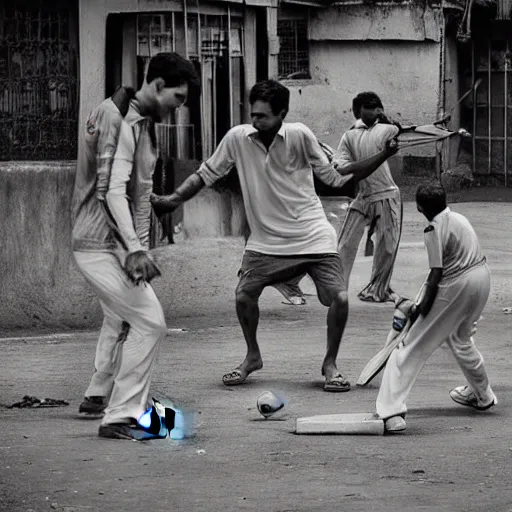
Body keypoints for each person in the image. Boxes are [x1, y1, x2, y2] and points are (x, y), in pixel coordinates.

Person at [151, 80, 398, 391]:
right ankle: (252, 356)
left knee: (338, 298)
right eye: (253, 115)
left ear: (282, 113)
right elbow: (205, 174)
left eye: (263, 116)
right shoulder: (237, 138)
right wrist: (174, 199)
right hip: (265, 241)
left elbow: (336, 178)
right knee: (243, 296)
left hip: (312, 235)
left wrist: (381, 157)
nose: (255, 122)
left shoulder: (299, 135)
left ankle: (330, 364)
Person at [71, 52, 200, 439]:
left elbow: (134, 190)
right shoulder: (119, 119)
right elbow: (110, 193)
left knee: (130, 318)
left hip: (108, 244)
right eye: (176, 98)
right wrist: (133, 250)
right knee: (149, 320)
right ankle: (121, 414)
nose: (178, 108)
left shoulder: (134, 118)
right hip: (100, 244)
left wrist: (140, 244)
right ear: (157, 85)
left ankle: (117, 402)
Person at [376, 183, 497, 433]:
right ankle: (483, 395)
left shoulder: (433, 229)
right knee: (460, 338)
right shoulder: (460, 218)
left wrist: (420, 308)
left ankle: (391, 412)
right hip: (482, 279)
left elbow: (436, 274)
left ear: (420, 207)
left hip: (457, 285)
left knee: (410, 345)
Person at [334, 92, 402, 303]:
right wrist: (383, 155)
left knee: (387, 247)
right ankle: (337, 288)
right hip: (363, 195)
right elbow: (346, 170)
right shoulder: (350, 136)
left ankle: (378, 289)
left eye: (374, 109)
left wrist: (389, 122)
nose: (369, 113)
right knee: (345, 244)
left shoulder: (387, 130)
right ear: (357, 112)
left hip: (386, 193)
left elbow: (399, 132)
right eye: (364, 110)